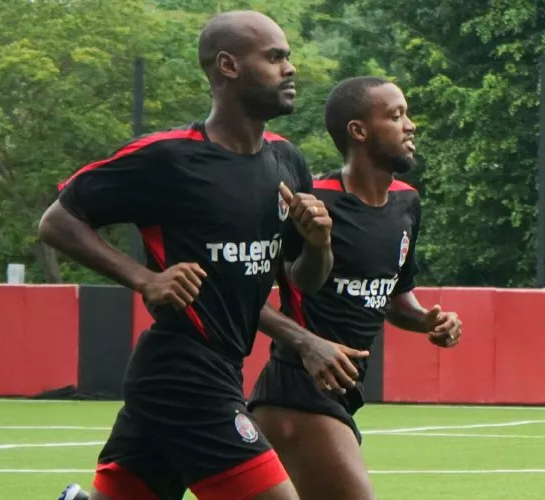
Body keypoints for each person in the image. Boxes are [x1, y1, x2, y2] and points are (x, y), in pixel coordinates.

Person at [42, 10, 364, 500]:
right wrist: (143, 278)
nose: (290, 68)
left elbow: (304, 280)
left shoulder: (286, 161)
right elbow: (57, 221)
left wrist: (319, 245)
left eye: (288, 57)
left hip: (215, 370)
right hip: (183, 374)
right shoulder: (169, 158)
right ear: (229, 66)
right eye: (274, 57)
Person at [247, 76, 464, 500]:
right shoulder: (311, 201)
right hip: (296, 393)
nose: (411, 125)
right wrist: (309, 343)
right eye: (396, 115)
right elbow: (246, 295)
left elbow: (395, 298)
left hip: (340, 395)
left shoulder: (407, 203)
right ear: (358, 131)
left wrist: (429, 321)